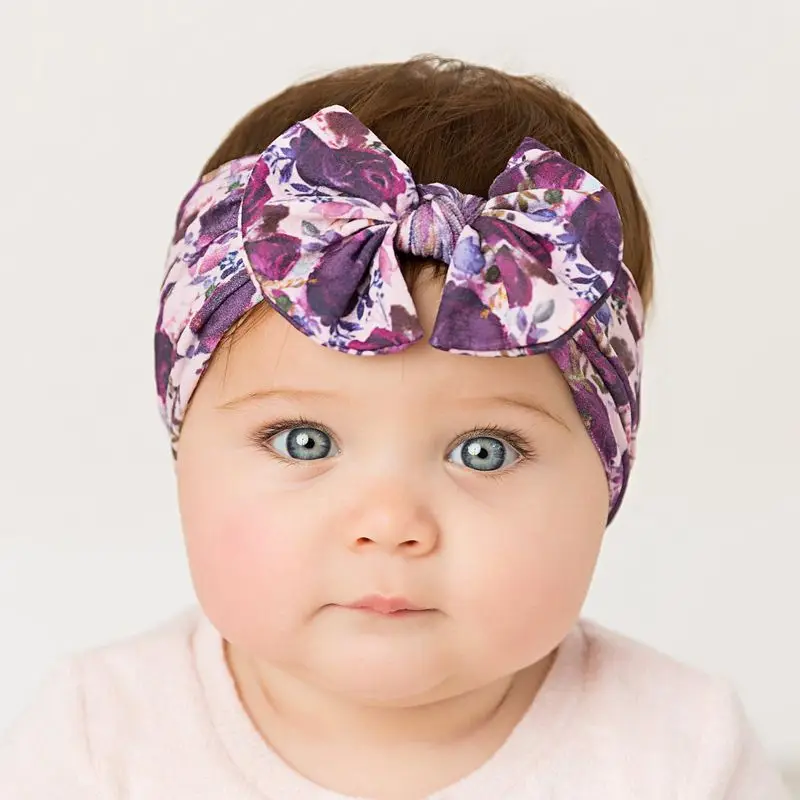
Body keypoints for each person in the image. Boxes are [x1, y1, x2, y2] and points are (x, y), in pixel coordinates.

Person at [0, 55, 791, 799]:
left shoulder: (685, 757)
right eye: (304, 441)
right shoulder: (96, 746)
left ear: (610, 469)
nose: (389, 524)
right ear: (183, 448)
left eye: (483, 452)